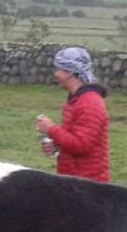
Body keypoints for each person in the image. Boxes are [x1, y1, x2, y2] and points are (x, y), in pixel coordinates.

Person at [34, 46, 110, 182]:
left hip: (87, 187)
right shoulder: (76, 100)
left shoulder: (90, 103)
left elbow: (82, 145)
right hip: (73, 181)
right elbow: (74, 140)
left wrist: (51, 129)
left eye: (58, 69)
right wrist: (56, 147)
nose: (55, 74)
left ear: (69, 71)